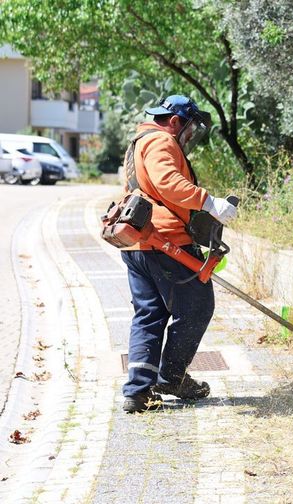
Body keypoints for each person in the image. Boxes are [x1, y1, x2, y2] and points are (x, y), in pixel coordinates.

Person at [120, 95, 238, 413]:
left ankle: (138, 392)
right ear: (174, 121)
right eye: (188, 128)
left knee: (149, 315)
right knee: (198, 305)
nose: (188, 136)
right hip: (165, 241)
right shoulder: (161, 140)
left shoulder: (137, 142)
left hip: (137, 243)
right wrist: (210, 202)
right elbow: (167, 181)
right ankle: (171, 376)